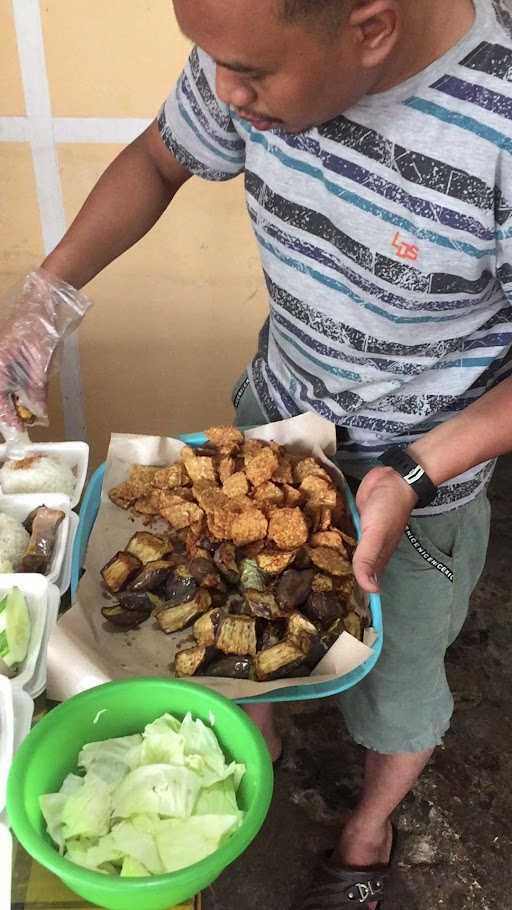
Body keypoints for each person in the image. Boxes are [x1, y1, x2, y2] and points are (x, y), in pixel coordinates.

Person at [3, 0, 512, 905]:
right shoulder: (247, 52)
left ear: (371, 28)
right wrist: (47, 297)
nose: (223, 94)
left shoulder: (497, 124)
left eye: (251, 74)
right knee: (234, 624)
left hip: (423, 482)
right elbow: (164, 154)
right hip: (273, 419)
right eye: (209, 62)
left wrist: (424, 466)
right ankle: (259, 736)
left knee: (397, 685)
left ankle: (366, 830)